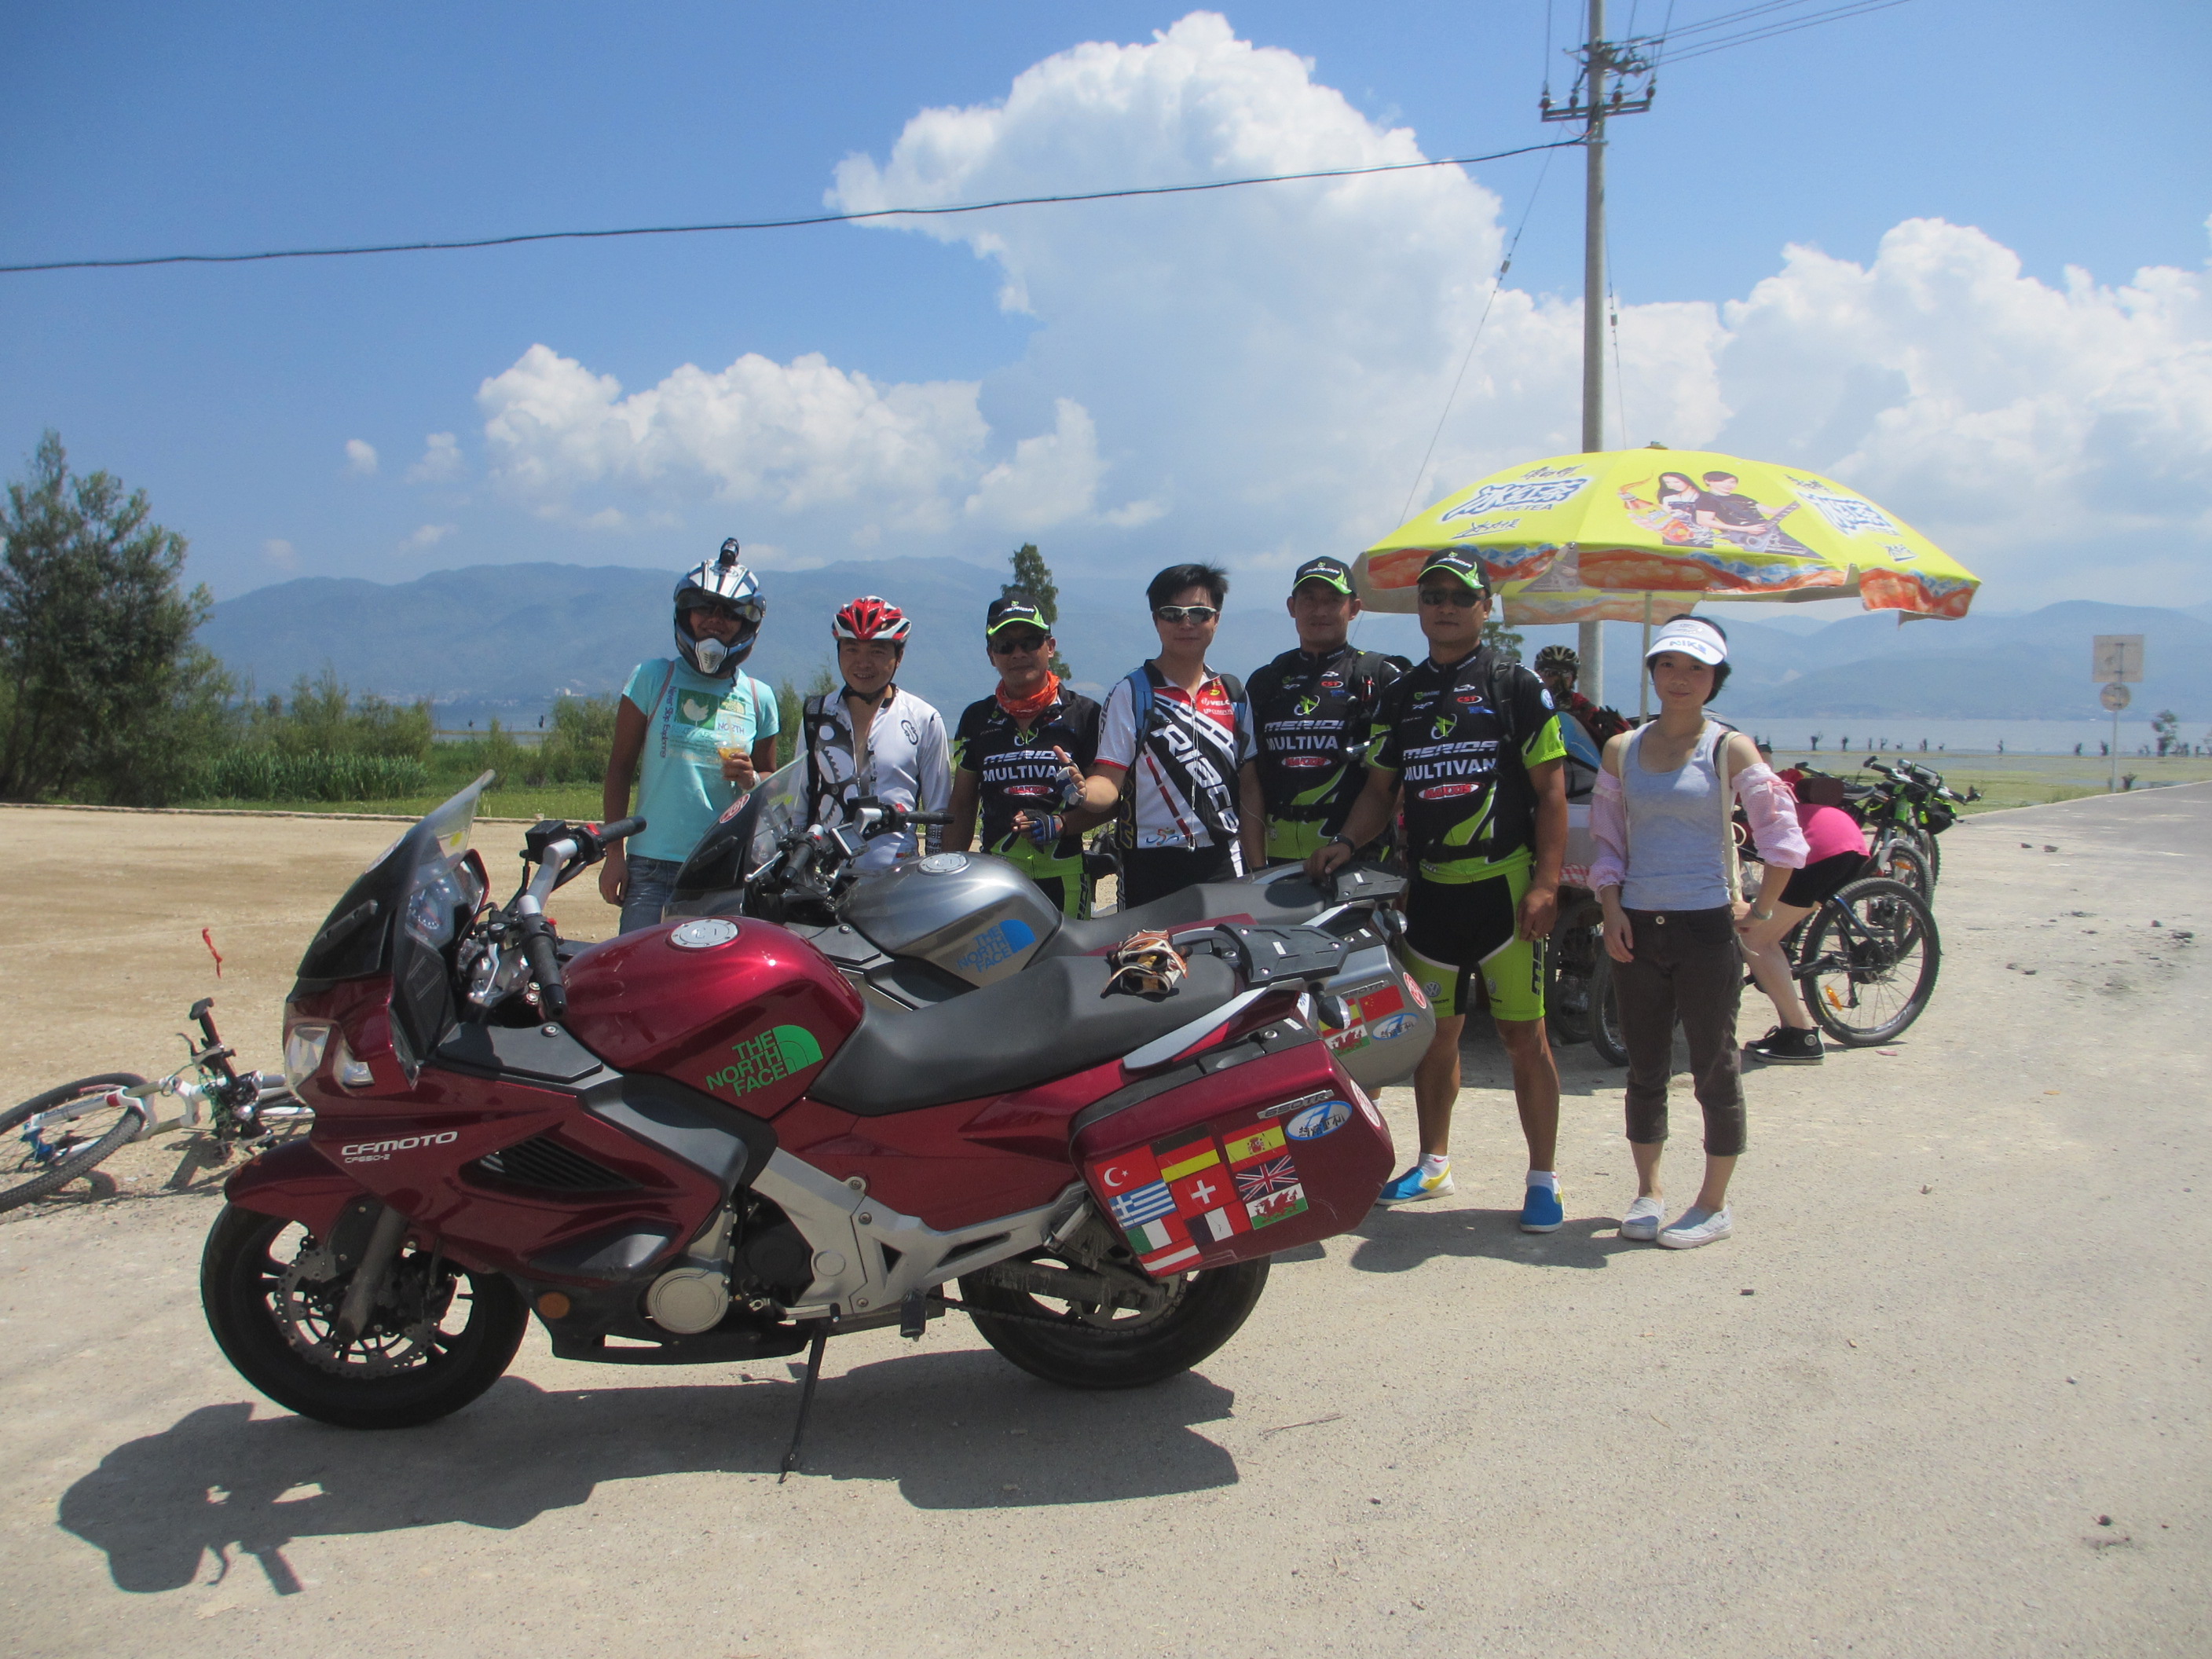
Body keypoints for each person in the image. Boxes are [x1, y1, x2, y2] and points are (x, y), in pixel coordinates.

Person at [1306, 551, 1570, 1231]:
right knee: (1435, 1038)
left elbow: (1551, 795)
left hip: (1505, 889)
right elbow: (1378, 789)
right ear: (1419, 607)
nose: (1445, 606)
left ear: (1487, 604)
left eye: (1460, 595)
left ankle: (1543, 1177)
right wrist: (1346, 843)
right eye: (1432, 596)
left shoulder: (1517, 687)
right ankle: (1433, 1163)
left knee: (1524, 1039)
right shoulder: (1403, 694)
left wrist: (1545, 885)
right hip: (1430, 891)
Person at [1589, 616, 1809, 1250]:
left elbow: (1783, 841)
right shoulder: (1622, 750)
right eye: (1669, 666)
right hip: (1637, 923)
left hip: (1707, 925)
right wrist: (1611, 908)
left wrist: (1761, 912)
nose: (1680, 680)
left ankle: (1712, 1203)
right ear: (1652, 671)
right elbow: (1608, 840)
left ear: (1716, 679)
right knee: (1645, 1064)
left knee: (1714, 1064)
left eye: (1697, 669)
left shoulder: (1729, 749)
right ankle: (1649, 1191)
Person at [599, 540, 781, 933]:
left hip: (724, 869)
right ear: (685, 612)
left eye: (730, 612)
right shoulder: (651, 678)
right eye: (704, 608)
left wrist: (751, 778)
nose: (715, 620)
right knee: (642, 980)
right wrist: (614, 855)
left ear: (747, 623)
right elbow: (619, 769)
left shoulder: (758, 697)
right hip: (651, 866)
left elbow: (771, 781)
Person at [1090, 563, 1252, 910]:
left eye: (1199, 613)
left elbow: (1251, 787)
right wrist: (1080, 790)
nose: (1186, 623)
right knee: (1148, 963)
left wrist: (1259, 864)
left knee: (1226, 961)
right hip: (1150, 863)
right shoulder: (1132, 692)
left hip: (1223, 859)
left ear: (1217, 619)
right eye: (1172, 613)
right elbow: (1107, 781)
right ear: (1155, 620)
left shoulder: (1232, 692)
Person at [1237, 555, 1405, 867]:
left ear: (1354, 608)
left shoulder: (1379, 676)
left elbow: (1398, 779)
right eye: (1309, 599)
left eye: (1333, 600)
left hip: (1357, 857)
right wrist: (1257, 870)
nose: (1320, 611)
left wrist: (1353, 839)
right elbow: (1250, 782)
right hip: (1277, 862)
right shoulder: (1265, 681)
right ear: (1292, 607)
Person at [947, 593, 1108, 916]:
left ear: (1050, 647)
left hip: (1067, 876)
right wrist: (947, 875)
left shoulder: (1085, 714)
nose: (1018, 653)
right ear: (992, 655)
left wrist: (1062, 824)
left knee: (1069, 965)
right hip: (997, 879)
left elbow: (1111, 802)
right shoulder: (976, 718)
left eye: (1030, 642)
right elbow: (962, 804)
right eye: (1006, 645)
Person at [1736, 745, 1867, 1064]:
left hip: (1819, 850)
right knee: (1773, 927)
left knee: (1754, 937)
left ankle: (1801, 1035)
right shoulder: (1758, 791)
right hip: (1847, 841)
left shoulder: (1738, 808)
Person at [800, 595, 952, 870]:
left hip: (895, 880)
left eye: (877, 651)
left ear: (899, 656)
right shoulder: (815, 714)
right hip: (822, 879)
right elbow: (799, 805)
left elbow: (937, 815)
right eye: (851, 649)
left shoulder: (923, 718)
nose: (863, 663)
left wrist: (934, 876)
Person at [1533, 643, 1629, 747]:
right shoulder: (1528, 700)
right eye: (1549, 673)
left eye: (1565, 674)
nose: (1556, 679)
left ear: (1573, 678)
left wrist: (1609, 731)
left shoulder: (1581, 705)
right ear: (1538, 675)